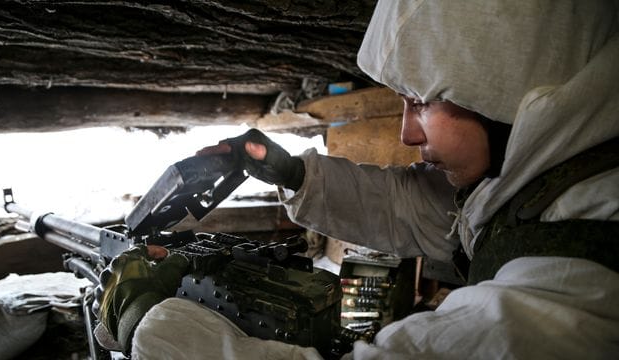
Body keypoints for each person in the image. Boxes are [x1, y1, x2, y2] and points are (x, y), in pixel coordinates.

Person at [96, 0, 619, 358]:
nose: (409, 133)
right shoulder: (544, 185)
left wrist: (153, 324)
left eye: (421, 102)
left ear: (504, 92)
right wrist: (296, 174)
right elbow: (418, 208)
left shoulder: (577, 281)